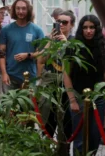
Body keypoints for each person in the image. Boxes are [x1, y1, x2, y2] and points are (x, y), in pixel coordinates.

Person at [64, 15, 105, 154]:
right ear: (80, 29)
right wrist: (72, 99)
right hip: (78, 95)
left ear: (97, 29)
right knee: (79, 137)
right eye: (85, 27)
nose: (88, 31)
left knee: (95, 135)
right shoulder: (72, 47)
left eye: (92, 27)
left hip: (99, 95)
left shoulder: (102, 45)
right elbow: (66, 75)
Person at [37, 10, 76, 142]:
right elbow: (41, 60)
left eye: (65, 22)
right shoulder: (49, 39)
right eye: (58, 22)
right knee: (48, 124)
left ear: (72, 25)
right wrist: (50, 42)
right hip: (50, 85)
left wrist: (66, 44)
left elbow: (74, 63)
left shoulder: (74, 42)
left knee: (67, 126)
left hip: (67, 88)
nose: (61, 25)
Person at [0, 0, 44, 91]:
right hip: (11, 75)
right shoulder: (6, 30)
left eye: (23, 8)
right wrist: (4, 73)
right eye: (18, 8)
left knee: (28, 105)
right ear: (14, 10)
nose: (20, 11)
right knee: (11, 104)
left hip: (30, 77)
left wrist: (28, 55)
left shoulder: (37, 30)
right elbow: (1, 54)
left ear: (28, 10)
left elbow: (42, 53)